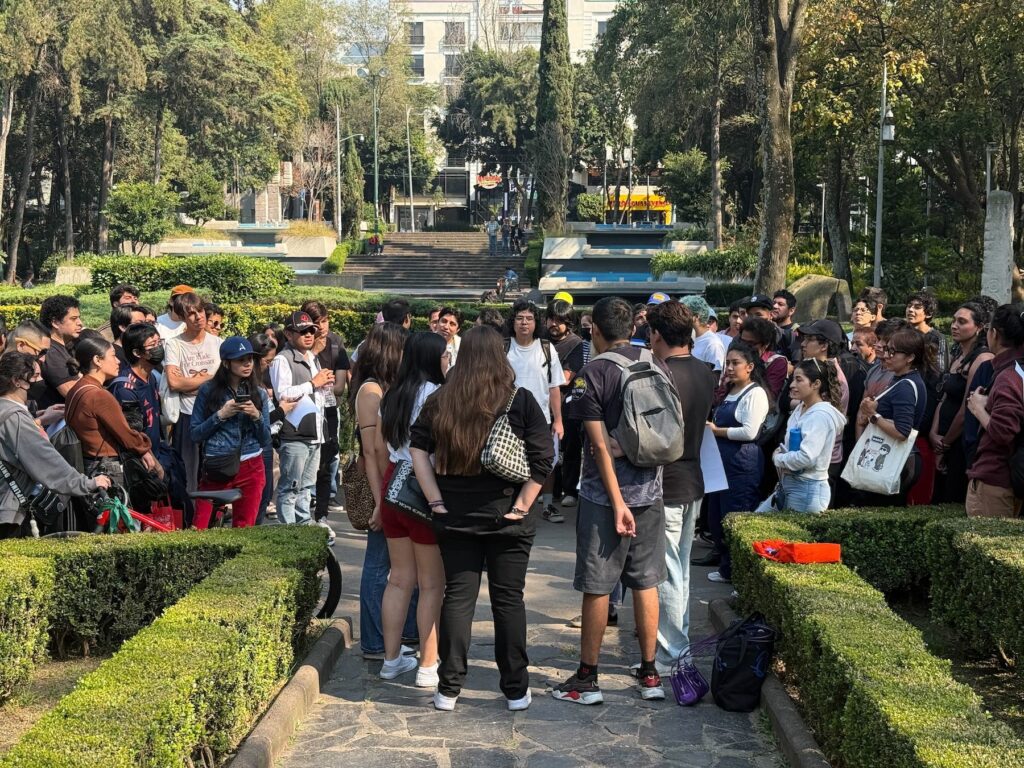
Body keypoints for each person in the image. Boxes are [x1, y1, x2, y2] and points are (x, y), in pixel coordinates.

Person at [411, 325, 553, 712]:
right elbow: (544, 459)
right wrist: (523, 505)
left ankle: (449, 689)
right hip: (509, 517)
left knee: (458, 598)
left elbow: (417, 449)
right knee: (509, 601)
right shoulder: (519, 400)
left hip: (454, 516)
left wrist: (435, 500)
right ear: (500, 356)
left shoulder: (442, 400)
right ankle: (515, 689)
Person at [555, 297, 669, 706]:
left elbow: (600, 448)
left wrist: (617, 502)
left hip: (606, 498)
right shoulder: (655, 362)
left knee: (598, 585)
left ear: (594, 331)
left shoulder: (594, 372)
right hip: (651, 491)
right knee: (646, 580)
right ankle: (650, 673)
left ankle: (587, 677)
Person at [647, 301, 716, 673]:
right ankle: (676, 643)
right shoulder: (706, 372)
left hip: (668, 480)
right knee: (681, 569)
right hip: (692, 477)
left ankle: (673, 651)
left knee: (669, 570)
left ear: (657, 334)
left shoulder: (658, 373)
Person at [376, 332, 448, 685]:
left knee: (399, 579)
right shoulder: (436, 393)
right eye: (445, 354)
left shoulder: (392, 393)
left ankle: (391, 660)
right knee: (432, 583)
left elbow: (380, 445)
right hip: (422, 486)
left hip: (393, 483)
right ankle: (427, 664)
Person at [0, 353, 111, 537]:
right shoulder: (15, 417)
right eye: (35, 376)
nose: (41, 380)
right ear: (17, 381)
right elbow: (46, 461)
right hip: (9, 512)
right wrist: (87, 483)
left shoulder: (7, 410)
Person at [353, 323, 413, 660]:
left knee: (388, 565)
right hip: (381, 487)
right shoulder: (371, 391)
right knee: (377, 563)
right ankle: (375, 642)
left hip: (389, 486)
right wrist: (379, 502)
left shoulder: (384, 388)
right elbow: (372, 451)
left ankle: (390, 637)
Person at [705, 343, 771, 583]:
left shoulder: (755, 394)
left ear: (750, 367)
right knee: (717, 517)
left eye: (735, 363)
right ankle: (726, 567)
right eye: (728, 363)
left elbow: (749, 432)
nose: (730, 368)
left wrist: (716, 431)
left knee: (737, 516)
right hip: (720, 463)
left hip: (741, 464)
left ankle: (739, 573)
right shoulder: (729, 392)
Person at [190, 337, 271, 529]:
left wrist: (256, 416)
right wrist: (221, 415)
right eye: (240, 359)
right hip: (218, 464)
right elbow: (195, 434)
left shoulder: (259, 393)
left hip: (251, 464)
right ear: (226, 363)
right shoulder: (208, 390)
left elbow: (265, 439)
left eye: (250, 359)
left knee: (244, 528)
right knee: (200, 527)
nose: (247, 364)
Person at [65, 337, 159, 490]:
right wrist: (145, 449)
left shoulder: (77, 389)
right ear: (97, 360)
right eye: (113, 355)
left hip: (87, 464)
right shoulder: (99, 395)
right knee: (117, 513)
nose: (118, 361)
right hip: (105, 468)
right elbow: (126, 436)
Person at [855, 327, 931, 505]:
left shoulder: (906, 385)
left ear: (910, 357)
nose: (886, 355)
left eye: (893, 352)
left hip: (898, 461)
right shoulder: (900, 379)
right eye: (887, 349)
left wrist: (873, 415)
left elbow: (902, 431)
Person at [270, 311, 333, 525]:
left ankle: (304, 531)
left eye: (311, 330)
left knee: (306, 488)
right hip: (294, 434)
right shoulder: (282, 359)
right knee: (290, 488)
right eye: (302, 331)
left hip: (314, 433)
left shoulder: (311, 358)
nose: (308, 335)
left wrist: (323, 386)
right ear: (288, 334)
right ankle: (290, 534)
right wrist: (313, 383)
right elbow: (283, 394)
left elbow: (315, 392)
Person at [164, 291, 221, 525]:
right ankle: (189, 523)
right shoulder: (174, 344)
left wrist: (194, 384)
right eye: (191, 314)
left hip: (216, 417)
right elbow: (175, 382)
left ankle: (211, 522)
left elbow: (223, 383)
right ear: (182, 318)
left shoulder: (218, 343)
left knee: (214, 474)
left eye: (200, 311)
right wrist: (209, 380)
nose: (198, 317)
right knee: (187, 475)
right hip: (187, 417)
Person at [504, 300, 564, 522]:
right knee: (510, 460)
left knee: (545, 461)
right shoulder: (504, 347)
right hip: (508, 418)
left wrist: (558, 420)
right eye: (519, 318)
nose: (524, 323)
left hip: (541, 418)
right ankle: (514, 506)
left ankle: (547, 505)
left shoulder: (547, 348)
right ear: (513, 321)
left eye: (529, 318)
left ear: (536, 322)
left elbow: (554, 386)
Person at [761, 359, 846, 513]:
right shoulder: (801, 408)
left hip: (807, 489)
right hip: (790, 484)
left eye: (799, 380)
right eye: (793, 379)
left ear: (816, 384)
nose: (792, 385)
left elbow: (806, 458)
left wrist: (778, 458)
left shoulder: (820, 415)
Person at [930, 302, 992, 503]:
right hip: (942, 437)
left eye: (962, 322)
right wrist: (934, 433)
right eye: (954, 320)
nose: (954, 325)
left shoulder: (982, 359)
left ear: (979, 327)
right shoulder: (957, 353)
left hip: (959, 443)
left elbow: (968, 408)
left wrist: (945, 443)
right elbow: (945, 397)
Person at [965, 304, 1024, 517]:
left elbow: (1003, 431)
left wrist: (979, 408)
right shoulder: (1014, 371)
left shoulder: (1009, 377)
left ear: (994, 334)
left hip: (996, 479)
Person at [111, 323, 177, 508]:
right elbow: (132, 433)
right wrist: (153, 462)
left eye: (159, 342)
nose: (159, 348)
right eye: (152, 345)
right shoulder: (125, 387)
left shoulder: (152, 378)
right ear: (137, 353)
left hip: (156, 451)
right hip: (140, 462)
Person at [303, 301, 351, 542]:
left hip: (330, 410)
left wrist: (323, 384)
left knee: (327, 462)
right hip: (303, 413)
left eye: (324, 321)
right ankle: (302, 516)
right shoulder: (298, 345)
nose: (321, 327)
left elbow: (340, 386)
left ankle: (321, 515)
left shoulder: (335, 343)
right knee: (305, 463)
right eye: (315, 323)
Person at [546, 299, 585, 509]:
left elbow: (566, 378)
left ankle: (570, 490)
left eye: (559, 320)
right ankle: (550, 491)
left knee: (569, 448)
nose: (553, 324)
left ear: (568, 322)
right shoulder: (540, 340)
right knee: (545, 450)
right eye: (551, 319)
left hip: (566, 404)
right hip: (541, 403)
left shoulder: (575, 343)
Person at [38, 295, 83, 409]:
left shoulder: (65, 347)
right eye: (73, 319)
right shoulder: (50, 352)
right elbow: (74, 393)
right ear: (55, 322)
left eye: (79, 318)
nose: (80, 323)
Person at [738, 317, 789, 399]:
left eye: (751, 344)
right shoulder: (735, 358)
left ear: (766, 344)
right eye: (742, 342)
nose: (745, 347)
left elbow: (768, 397)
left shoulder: (776, 362)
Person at [680, 295, 725, 372]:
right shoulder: (689, 338)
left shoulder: (713, 344)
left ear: (696, 317)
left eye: (684, 314)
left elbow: (715, 377)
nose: (681, 318)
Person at [905, 290, 948, 370]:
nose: (910, 309)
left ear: (929, 314)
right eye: (909, 306)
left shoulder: (937, 338)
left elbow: (940, 370)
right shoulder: (902, 333)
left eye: (917, 307)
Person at [110, 305, 147, 369]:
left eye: (146, 323)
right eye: (139, 323)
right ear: (123, 327)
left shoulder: (141, 349)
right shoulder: (114, 355)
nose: (146, 327)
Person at [772, 289, 800, 361]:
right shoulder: (768, 329)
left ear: (791, 311)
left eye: (780, 304)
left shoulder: (796, 333)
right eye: (773, 302)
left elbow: (796, 363)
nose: (774, 306)